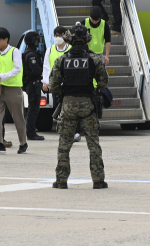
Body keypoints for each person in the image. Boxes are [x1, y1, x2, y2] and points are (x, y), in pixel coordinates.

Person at [49, 23, 109, 189]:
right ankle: (98, 180)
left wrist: (65, 91)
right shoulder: (94, 59)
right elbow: (103, 82)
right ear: (87, 39)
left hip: (68, 105)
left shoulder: (61, 59)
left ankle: (61, 181)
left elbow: (53, 85)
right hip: (88, 105)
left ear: (69, 39)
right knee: (93, 144)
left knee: (64, 144)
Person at [0, 28, 28, 154]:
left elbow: (17, 69)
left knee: (18, 118)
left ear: (6, 39)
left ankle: (23, 143)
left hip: (13, 90)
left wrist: (1, 76)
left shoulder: (14, 51)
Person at [41, 27, 81, 142]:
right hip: (56, 84)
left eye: (60, 35)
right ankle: (65, 131)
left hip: (69, 84)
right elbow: (46, 67)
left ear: (65, 35)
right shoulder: (50, 50)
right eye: (56, 35)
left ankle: (76, 132)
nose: (58, 37)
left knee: (72, 108)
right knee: (58, 108)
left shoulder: (71, 49)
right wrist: (45, 82)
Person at [22, 31, 45, 141]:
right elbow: (36, 70)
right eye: (36, 40)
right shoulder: (31, 55)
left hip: (32, 84)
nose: (38, 42)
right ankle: (31, 133)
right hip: (32, 84)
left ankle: (31, 131)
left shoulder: (31, 53)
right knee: (33, 109)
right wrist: (45, 71)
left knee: (34, 109)